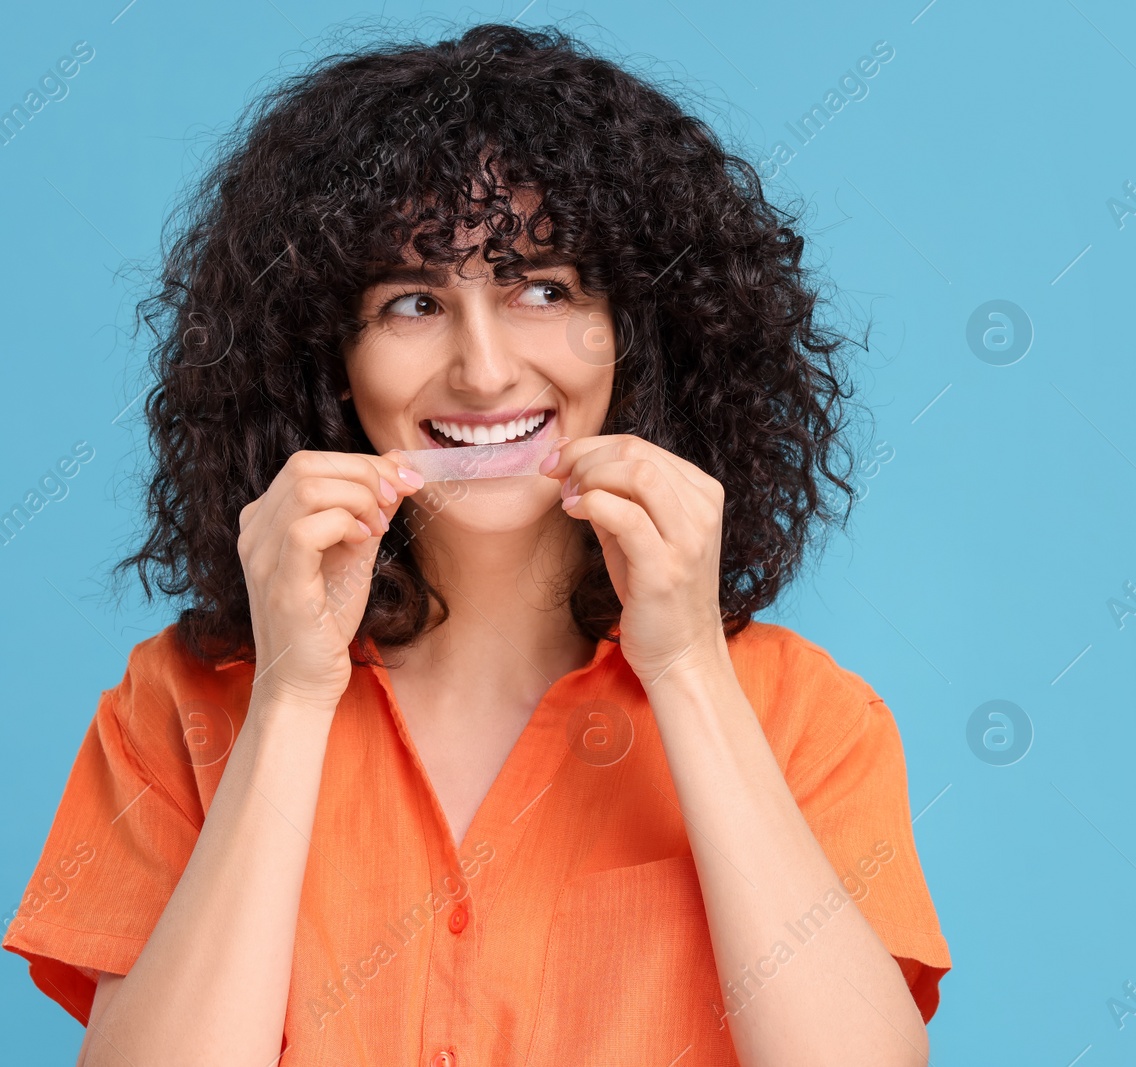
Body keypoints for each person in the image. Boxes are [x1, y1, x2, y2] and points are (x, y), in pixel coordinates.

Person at [2, 21, 951, 1067]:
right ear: (327, 359)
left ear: (641, 332)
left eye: (543, 287)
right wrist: (290, 694)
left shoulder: (808, 717)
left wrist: (685, 668)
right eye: (412, 302)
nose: (486, 371)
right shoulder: (179, 706)